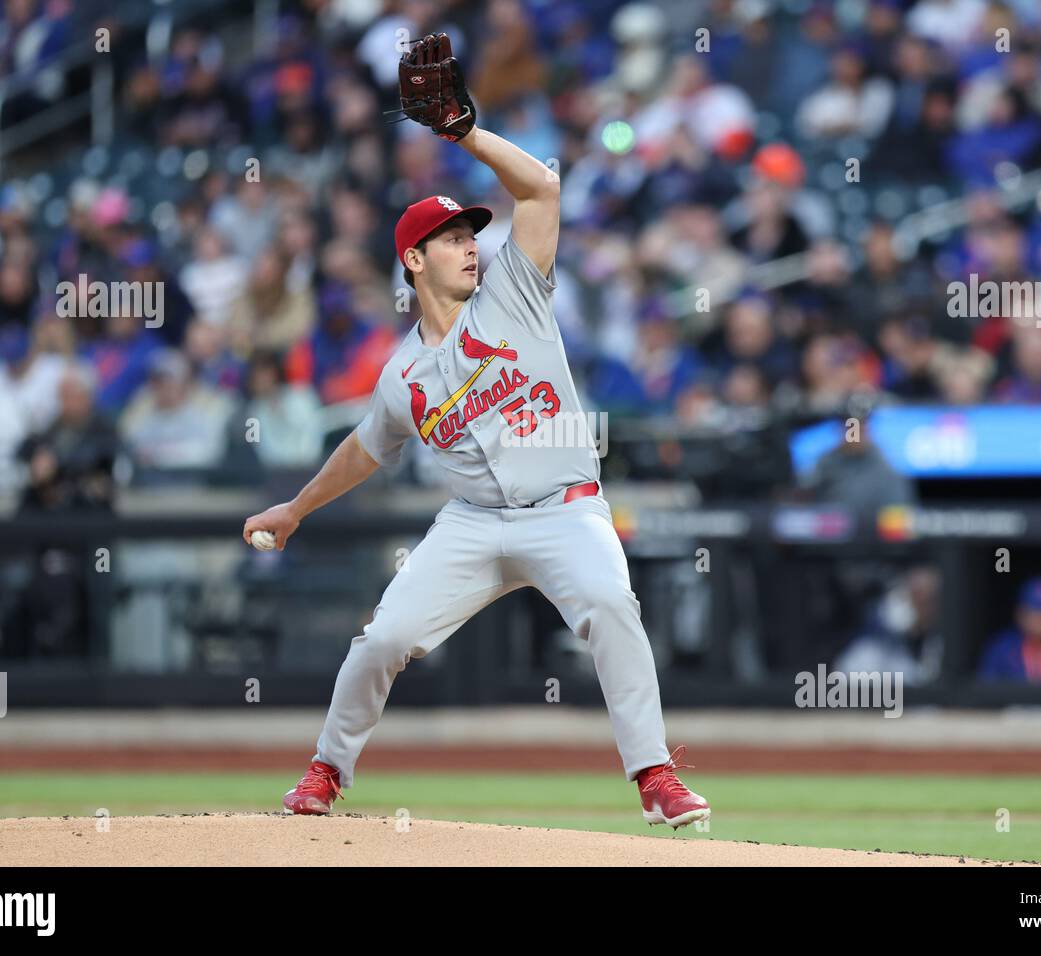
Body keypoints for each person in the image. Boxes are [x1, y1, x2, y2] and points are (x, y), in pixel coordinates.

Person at [244, 36, 708, 830]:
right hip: (471, 524)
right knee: (382, 638)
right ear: (413, 262)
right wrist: (294, 509)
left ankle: (656, 776)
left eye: (471, 235)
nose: (470, 245)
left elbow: (542, 190)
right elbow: (366, 448)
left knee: (610, 605)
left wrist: (462, 131)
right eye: (453, 238)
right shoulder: (401, 374)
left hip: (566, 509)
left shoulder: (516, 294)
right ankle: (325, 772)